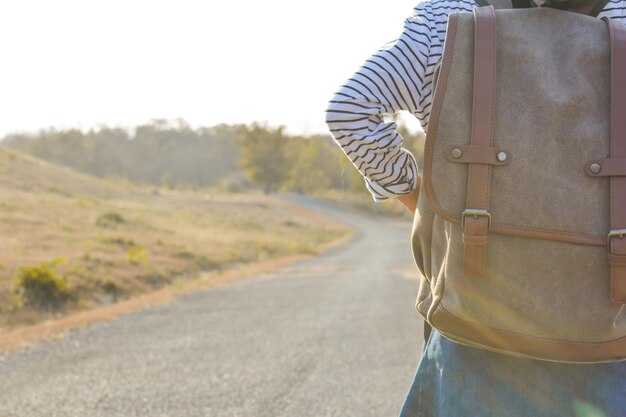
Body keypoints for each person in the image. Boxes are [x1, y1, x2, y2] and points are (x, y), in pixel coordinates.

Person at [324, 1, 626, 416]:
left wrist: (424, 202)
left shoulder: (449, 16)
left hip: (474, 319)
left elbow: (349, 111)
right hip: (610, 330)